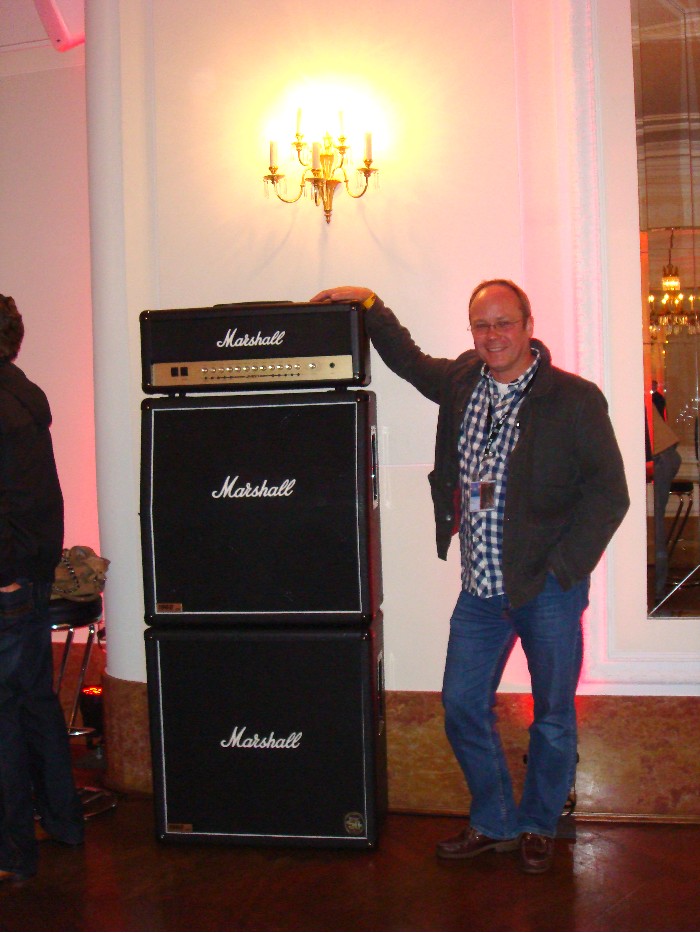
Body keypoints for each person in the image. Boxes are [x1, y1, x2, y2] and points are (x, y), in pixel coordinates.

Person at [311, 281, 629, 874]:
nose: (492, 336)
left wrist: (564, 569)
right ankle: (496, 820)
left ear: (529, 325)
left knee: (553, 715)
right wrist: (372, 305)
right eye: (481, 325)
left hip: (546, 590)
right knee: (460, 704)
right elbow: (409, 362)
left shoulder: (574, 399)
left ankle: (539, 824)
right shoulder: (461, 381)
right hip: (480, 589)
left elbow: (609, 495)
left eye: (504, 323)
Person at [0, 294, 83, 884]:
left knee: (5, 716)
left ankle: (10, 854)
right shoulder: (23, 393)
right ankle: (63, 822)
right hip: (26, 573)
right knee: (32, 702)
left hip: (7, 576)